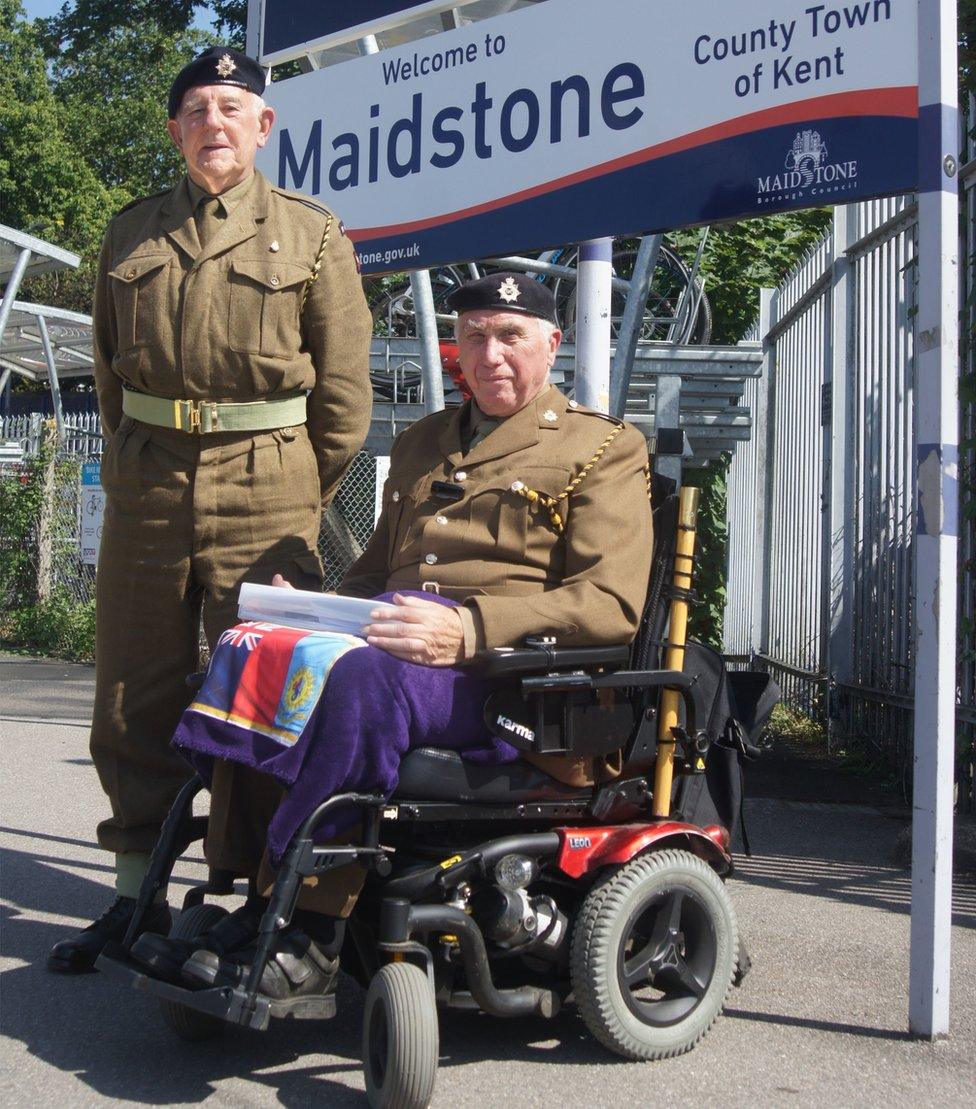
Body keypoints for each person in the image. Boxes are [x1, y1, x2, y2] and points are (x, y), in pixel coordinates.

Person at [131, 272, 653, 1004]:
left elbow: (608, 603)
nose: (491, 353)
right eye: (475, 336)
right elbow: (375, 574)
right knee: (256, 650)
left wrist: (470, 629)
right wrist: (308, 613)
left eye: (511, 335)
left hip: (508, 683)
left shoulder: (600, 448)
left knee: (361, 684)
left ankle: (310, 932)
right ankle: (257, 897)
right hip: (398, 652)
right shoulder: (423, 442)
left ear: (552, 345)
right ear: (455, 351)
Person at [48, 46, 374, 973]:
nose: (214, 124)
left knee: (272, 694)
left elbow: (344, 401)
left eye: (233, 107)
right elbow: (112, 377)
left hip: (269, 482)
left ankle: (265, 899)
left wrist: (297, 485)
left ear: (263, 126)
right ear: (175, 131)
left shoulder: (312, 236)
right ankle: (130, 896)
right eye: (196, 109)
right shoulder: (130, 234)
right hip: (149, 483)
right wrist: (134, 461)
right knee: (133, 686)